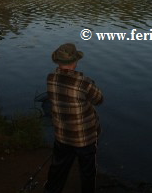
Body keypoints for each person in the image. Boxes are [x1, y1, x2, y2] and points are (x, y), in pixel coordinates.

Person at [44, 43, 103, 193]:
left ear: (58, 62)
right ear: (75, 62)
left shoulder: (50, 78)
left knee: (58, 169)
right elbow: (99, 99)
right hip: (84, 138)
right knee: (87, 172)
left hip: (62, 135)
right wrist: (90, 84)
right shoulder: (83, 82)